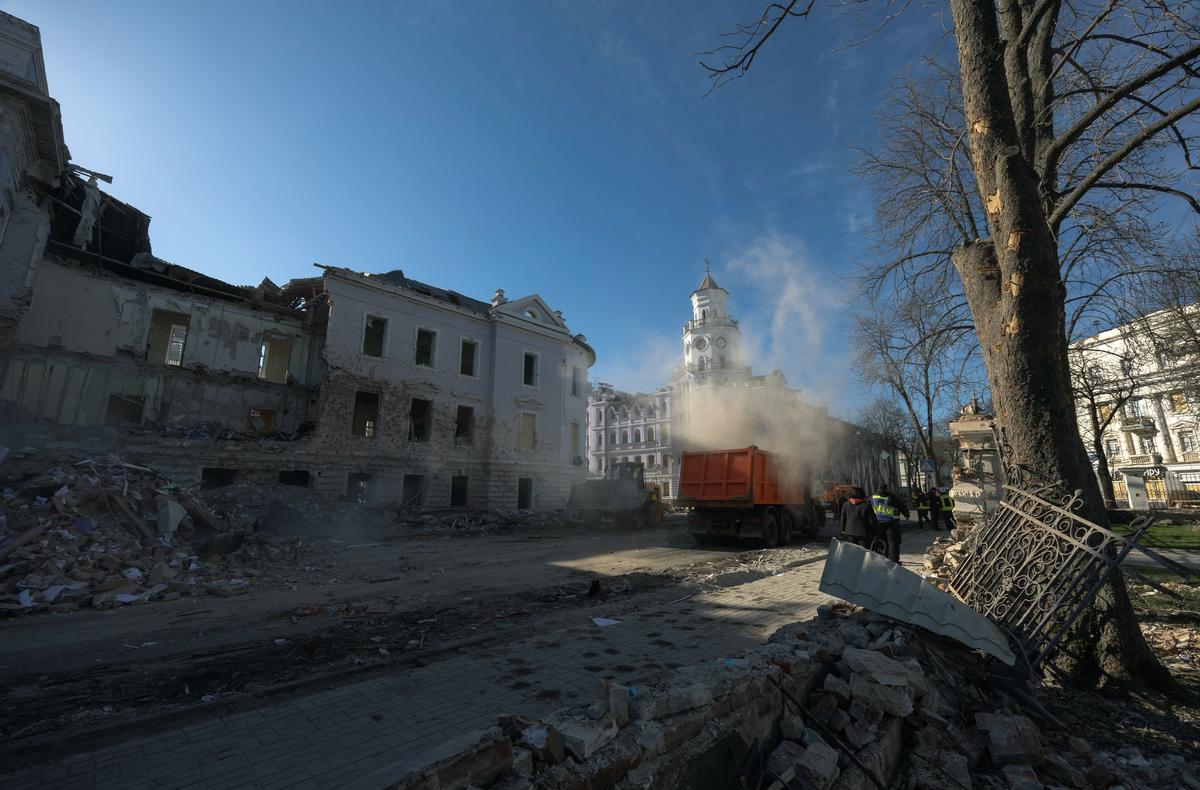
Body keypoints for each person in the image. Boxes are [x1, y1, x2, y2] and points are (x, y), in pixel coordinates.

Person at [871, 483, 909, 562]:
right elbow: (901, 506)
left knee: (882, 543)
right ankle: (894, 562)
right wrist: (906, 515)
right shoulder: (891, 497)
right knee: (893, 543)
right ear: (886, 489)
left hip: (878, 524)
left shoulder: (872, 498)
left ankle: (883, 560)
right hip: (891, 523)